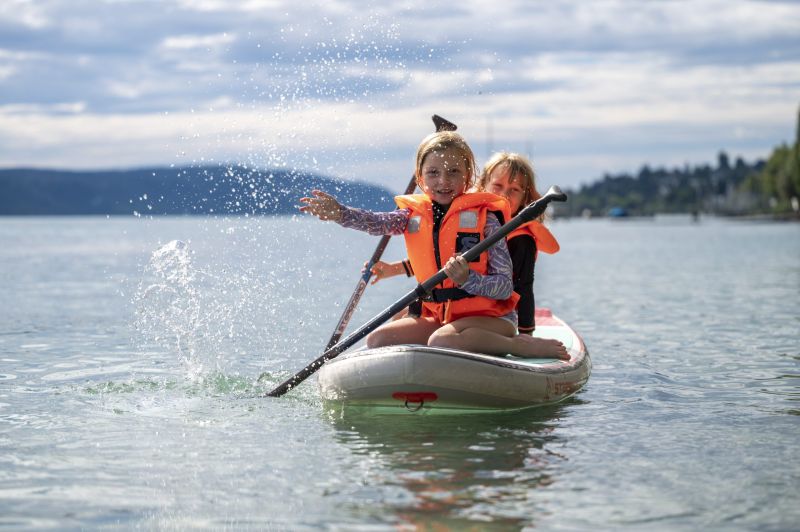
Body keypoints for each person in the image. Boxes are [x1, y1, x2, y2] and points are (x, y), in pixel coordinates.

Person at [300, 132, 567, 359]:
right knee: (378, 340)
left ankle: (518, 345)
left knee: (443, 342)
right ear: (419, 176)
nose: (443, 181)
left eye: (454, 172)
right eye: (433, 173)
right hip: (441, 317)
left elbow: (504, 287)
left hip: (492, 320)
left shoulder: (487, 221)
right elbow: (377, 222)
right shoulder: (411, 217)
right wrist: (340, 214)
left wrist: (469, 279)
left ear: (468, 176)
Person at [371, 151, 560, 336]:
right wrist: (393, 269)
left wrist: (526, 335)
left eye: (514, 190)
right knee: (399, 316)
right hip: (453, 308)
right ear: (483, 185)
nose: (504, 195)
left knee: (430, 329)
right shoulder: (472, 221)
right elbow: (441, 263)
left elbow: (524, 289)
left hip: (493, 313)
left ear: (525, 198)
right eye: (497, 186)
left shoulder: (521, 240)